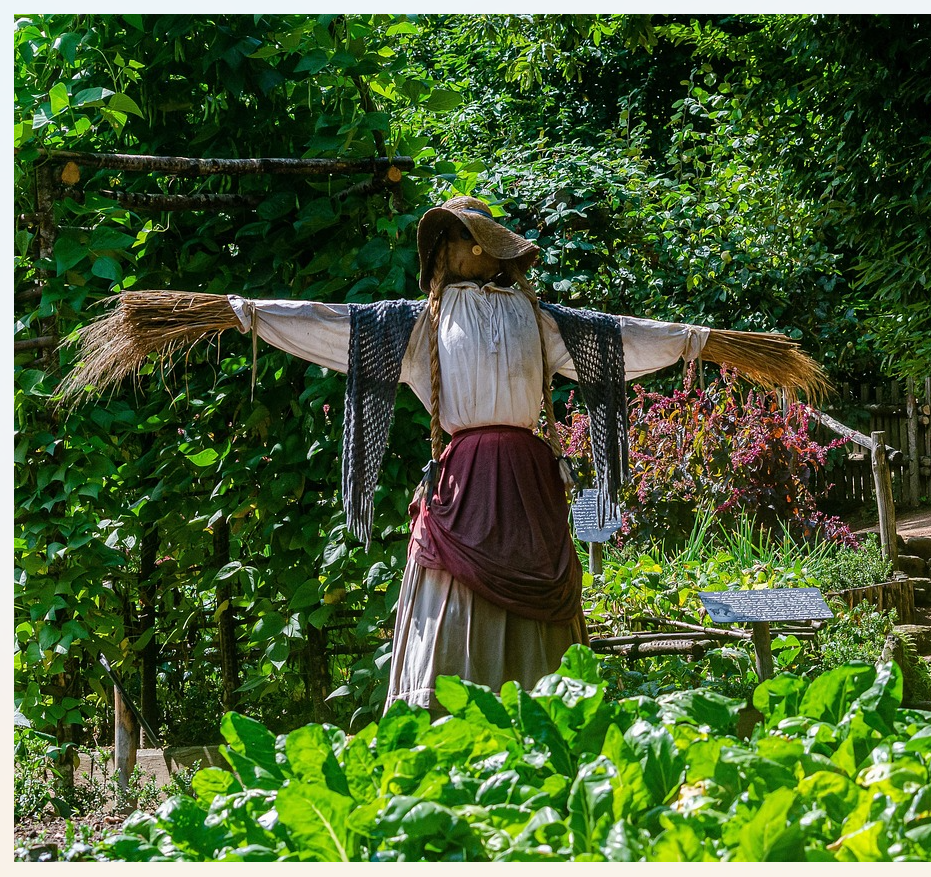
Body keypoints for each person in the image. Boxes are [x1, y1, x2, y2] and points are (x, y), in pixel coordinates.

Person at [59, 195, 827, 712]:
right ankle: (444, 720)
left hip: (527, 488)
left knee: (543, 613)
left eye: (456, 239)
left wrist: (703, 341)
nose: (447, 250)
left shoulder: (544, 319)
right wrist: (240, 314)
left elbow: (626, 336)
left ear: (483, 249)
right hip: (464, 489)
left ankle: (544, 720)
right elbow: (328, 322)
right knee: (451, 606)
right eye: (445, 243)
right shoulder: (417, 322)